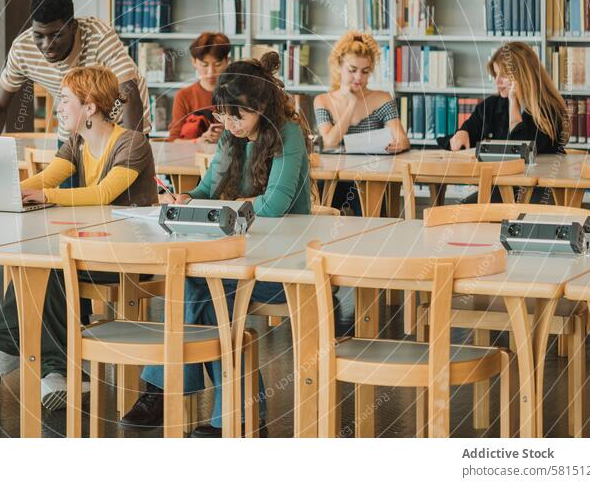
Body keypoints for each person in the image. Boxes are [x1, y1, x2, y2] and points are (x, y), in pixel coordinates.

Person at [120, 51, 313, 437]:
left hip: (285, 263)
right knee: (202, 284)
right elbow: (208, 187)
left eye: (236, 115)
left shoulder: (288, 132)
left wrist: (214, 208)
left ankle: (162, 388)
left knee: (201, 285)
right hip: (240, 253)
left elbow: (274, 205)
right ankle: (236, 415)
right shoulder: (232, 134)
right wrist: (187, 199)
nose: (228, 124)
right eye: (223, 114)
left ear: (261, 106)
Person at [0, 65, 157, 410]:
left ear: (90, 107)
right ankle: (54, 373)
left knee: (57, 266)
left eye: (65, 100)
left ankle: (11, 345)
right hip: (93, 250)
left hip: (132, 255)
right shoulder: (76, 143)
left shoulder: (132, 143)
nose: (59, 107)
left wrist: (48, 196)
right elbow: (46, 179)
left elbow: (104, 193)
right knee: (46, 261)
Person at [0, 0, 149, 187]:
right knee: (67, 195)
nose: (47, 44)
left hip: (121, 120)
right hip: (75, 123)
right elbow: (0, 106)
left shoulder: (98, 35)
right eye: (39, 35)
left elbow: (129, 95)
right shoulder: (22, 50)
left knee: (118, 196)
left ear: (73, 26)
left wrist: (132, 150)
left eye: (56, 35)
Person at [314, 31, 410, 213]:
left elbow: (403, 139)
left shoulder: (382, 99)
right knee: (320, 207)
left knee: (368, 207)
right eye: (352, 70)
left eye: (365, 72)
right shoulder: (323, 101)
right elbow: (329, 141)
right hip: (334, 177)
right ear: (338, 67)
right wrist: (351, 104)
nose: (359, 77)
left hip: (370, 175)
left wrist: (399, 144)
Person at [446, 41, 569, 154]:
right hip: (497, 176)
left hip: (533, 176)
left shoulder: (549, 111)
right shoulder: (492, 105)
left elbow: (521, 152)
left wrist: (513, 102)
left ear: (524, 76)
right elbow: (469, 130)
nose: (497, 81)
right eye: (496, 74)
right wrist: (463, 133)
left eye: (504, 75)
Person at [168, 32, 230, 143]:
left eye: (217, 64)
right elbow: (173, 140)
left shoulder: (237, 94)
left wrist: (227, 136)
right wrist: (199, 141)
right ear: (194, 62)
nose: (211, 72)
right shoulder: (184, 96)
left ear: (227, 61)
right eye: (204, 65)